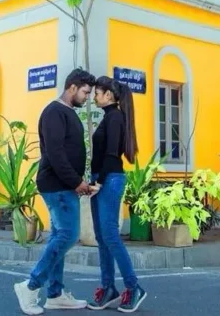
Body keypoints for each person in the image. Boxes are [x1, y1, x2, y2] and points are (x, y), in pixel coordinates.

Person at [14, 68, 96, 315]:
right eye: (85, 92)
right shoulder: (53, 112)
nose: (87, 97)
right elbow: (56, 153)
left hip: (65, 184)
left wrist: (79, 181)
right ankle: (30, 286)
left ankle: (56, 293)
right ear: (72, 87)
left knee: (60, 235)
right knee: (69, 235)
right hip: (57, 184)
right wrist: (76, 182)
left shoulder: (67, 112)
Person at [87, 76, 146, 313]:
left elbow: (112, 155)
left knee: (110, 235)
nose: (94, 97)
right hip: (101, 180)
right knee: (102, 237)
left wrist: (99, 182)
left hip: (109, 180)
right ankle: (108, 288)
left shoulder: (115, 118)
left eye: (97, 93)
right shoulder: (109, 118)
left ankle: (133, 287)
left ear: (108, 95)